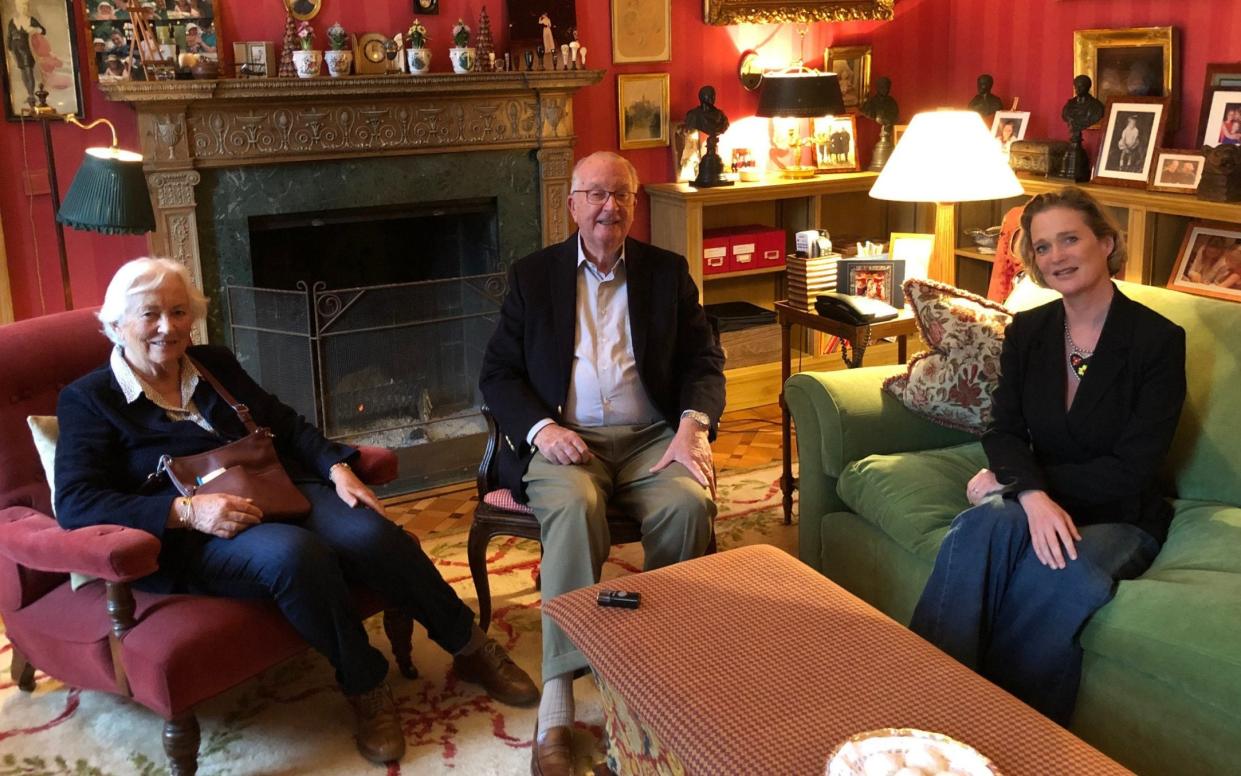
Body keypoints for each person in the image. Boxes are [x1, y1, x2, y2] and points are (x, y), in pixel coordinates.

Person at [55, 258, 539, 766]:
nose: (167, 327)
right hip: (199, 535)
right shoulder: (90, 400)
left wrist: (337, 468)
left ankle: (469, 646)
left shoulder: (212, 363)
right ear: (115, 324)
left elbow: (282, 423)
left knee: (372, 535)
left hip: (280, 489)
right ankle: (366, 685)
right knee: (295, 556)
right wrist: (185, 511)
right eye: (150, 314)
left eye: (179, 312)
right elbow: (76, 502)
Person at [478, 151, 724, 776]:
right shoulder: (534, 277)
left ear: (634, 205)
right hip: (570, 441)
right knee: (574, 503)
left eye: (620, 195)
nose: (608, 206)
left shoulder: (668, 273)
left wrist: (692, 428)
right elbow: (498, 373)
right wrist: (542, 428)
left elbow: (703, 362)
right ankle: (558, 699)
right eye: (595, 194)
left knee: (687, 504)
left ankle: (658, 675)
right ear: (572, 204)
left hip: (651, 439)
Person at [908, 188, 1187, 725]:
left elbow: (1134, 468)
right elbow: (1004, 427)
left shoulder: (1157, 340)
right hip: (1040, 495)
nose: (1056, 255)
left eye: (1069, 239)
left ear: (1106, 242)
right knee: (981, 526)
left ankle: (1006, 728)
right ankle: (926, 702)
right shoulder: (1029, 331)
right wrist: (1029, 494)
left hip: (1120, 513)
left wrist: (1027, 486)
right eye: (1042, 247)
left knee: (1059, 571)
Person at [4, 0, 46, 109]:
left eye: (24, 6)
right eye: (20, 6)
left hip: (27, 49)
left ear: (27, 7)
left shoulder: (31, 20)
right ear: (16, 7)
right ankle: (29, 94)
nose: (22, 8)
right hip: (16, 50)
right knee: (23, 71)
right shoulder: (12, 21)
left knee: (28, 70)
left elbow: (43, 30)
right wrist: (9, 50)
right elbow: (9, 37)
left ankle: (32, 94)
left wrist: (34, 29)